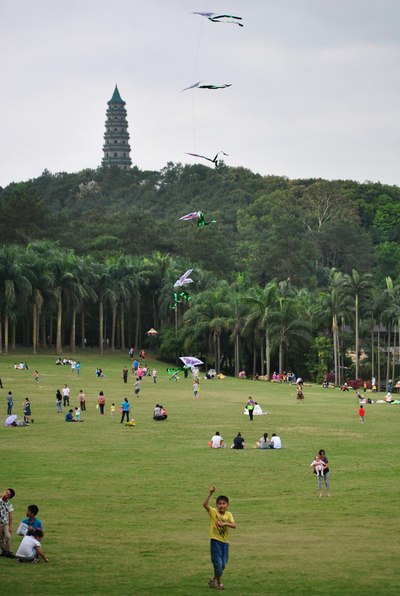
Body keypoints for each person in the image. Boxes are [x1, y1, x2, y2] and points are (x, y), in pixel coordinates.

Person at [203, 486, 236, 591]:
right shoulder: (213, 512)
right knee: (218, 563)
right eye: (220, 504)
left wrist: (224, 523)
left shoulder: (229, 514)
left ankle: (212, 579)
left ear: (227, 505)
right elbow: (205, 504)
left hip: (225, 543)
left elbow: (234, 525)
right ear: (217, 505)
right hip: (215, 541)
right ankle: (219, 583)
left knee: (223, 565)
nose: (222, 506)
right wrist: (210, 493)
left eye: (224, 504)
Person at [0, 487, 16, 558]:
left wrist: (10, 526)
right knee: (0, 539)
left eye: (8, 494)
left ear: (9, 497)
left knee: (8, 536)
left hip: (5, 523)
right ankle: (4, 551)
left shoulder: (9, 504)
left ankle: (8, 551)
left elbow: (10, 516)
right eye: (6, 492)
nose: (6, 494)